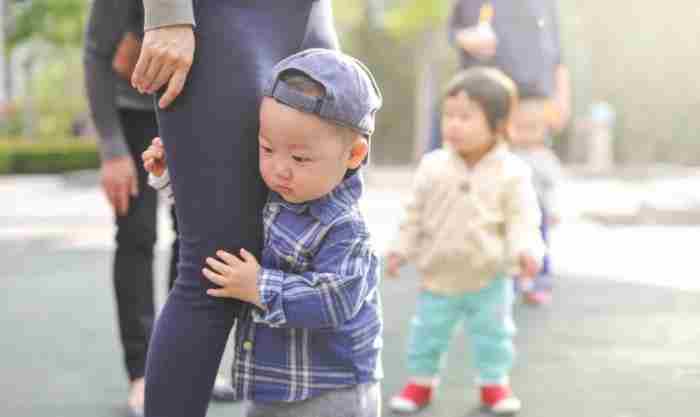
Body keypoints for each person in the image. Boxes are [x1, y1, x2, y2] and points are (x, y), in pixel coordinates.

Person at [143, 49, 383, 417]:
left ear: (353, 154)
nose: (279, 169)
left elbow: (336, 299)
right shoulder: (276, 193)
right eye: (267, 148)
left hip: (330, 390)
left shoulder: (345, 227)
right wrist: (170, 175)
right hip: (271, 384)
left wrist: (259, 287)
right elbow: (216, 215)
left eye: (300, 158)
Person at [82, 2, 238, 415]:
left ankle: (185, 363)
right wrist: (113, 150)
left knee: (196, 238)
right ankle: (142, 372)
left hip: (193, 107)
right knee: (136, 237)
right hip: (133, 117)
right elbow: (97, 52)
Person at [386, 68, 545, 415]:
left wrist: (526, 250)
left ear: (498, 123)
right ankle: (421, 382)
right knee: (427, 334)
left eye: (466, 117)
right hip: (438, 274)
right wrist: (400, 248)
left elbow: (523, 219)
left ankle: (494, 384)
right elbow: (413, 213)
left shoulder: (512, 172)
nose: (453, 125)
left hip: (489, 275)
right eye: (448, 116)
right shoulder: (432, 167)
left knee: (494, 336)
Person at [427, 0, 571, 152]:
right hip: (484, 97)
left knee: (531, 163)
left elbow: (555, 51)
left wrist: (563, 97)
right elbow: (454, 30)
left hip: (533, 100)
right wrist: (468, 38)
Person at [509, 95, 566, 305]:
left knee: (538, 249)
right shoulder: (506, 154)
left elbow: (551, 188)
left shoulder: (544, 158)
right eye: (519, 127)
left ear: (544, 130)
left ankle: (538, 284)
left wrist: (553, 210)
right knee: (511, 248)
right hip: (512, 212)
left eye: (531, 128)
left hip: (537, 211)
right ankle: (512, 284)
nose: (525, 134)